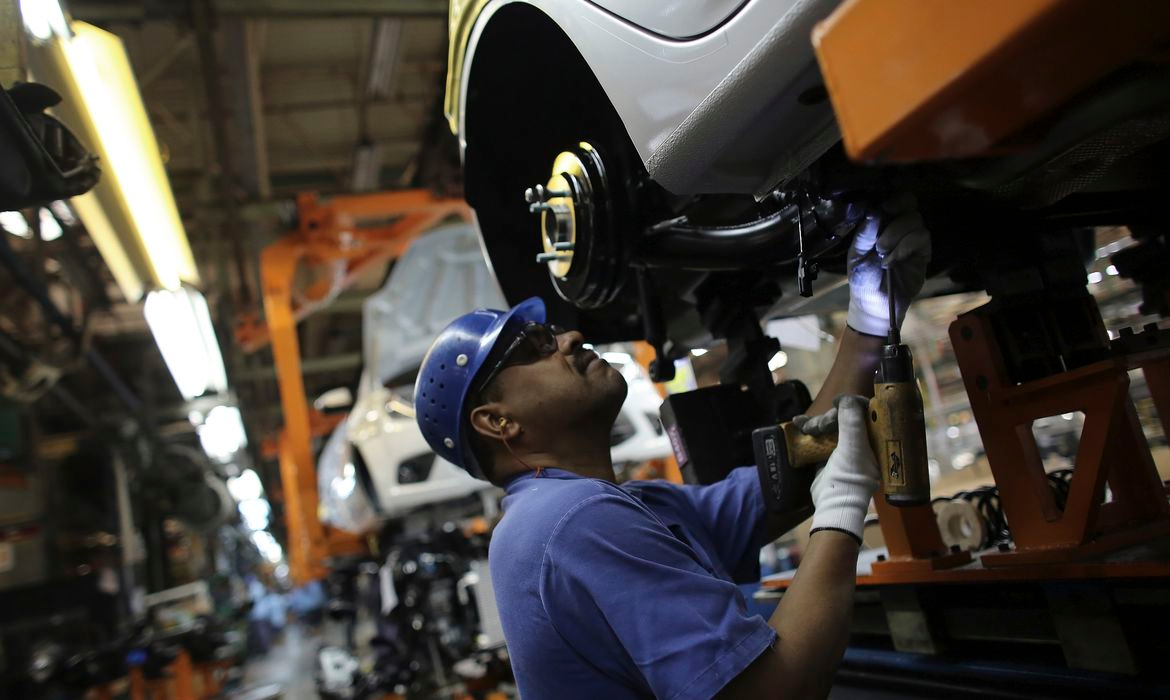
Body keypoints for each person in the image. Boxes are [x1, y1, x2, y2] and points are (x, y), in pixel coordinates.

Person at [414, 205, 930, 699]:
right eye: (534, 349)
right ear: (498, 421)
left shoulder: (619, 507)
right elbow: (776, 692)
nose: (568, 338)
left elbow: (788, 476)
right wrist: (841, 513)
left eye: (550, 333)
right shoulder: (573, 522)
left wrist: (867, 322)